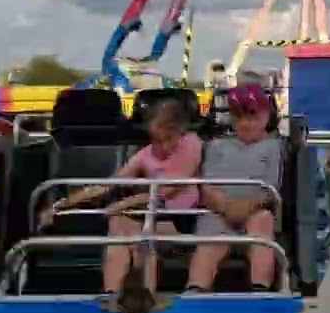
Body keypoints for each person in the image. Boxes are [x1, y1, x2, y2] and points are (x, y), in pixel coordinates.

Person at [40, 99, 203, 294]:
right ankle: (113, 295)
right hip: (152, 217)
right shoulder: (145, 155)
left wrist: (124, 204)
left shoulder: (192, 145)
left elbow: (167, 189)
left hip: (184, 221)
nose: (163, 147)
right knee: (120, 228)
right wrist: (60, 206)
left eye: (168, 139)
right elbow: (108, 185)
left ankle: (142, 298)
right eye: (156, 140)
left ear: (181, 130)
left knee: (136, 230)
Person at [186, 83, 283, 292]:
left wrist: (245, 207)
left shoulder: (275, 147)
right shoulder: (216, 146)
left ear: (267, 115)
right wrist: (224, 206)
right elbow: (206, 186)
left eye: (253, 116)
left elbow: (271, 189)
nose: (247, 123)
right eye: (240, 117)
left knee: (262, 224)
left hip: (256, 209)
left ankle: (260, 290)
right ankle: (195, 291)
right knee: (209, 243)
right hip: (218, 210)